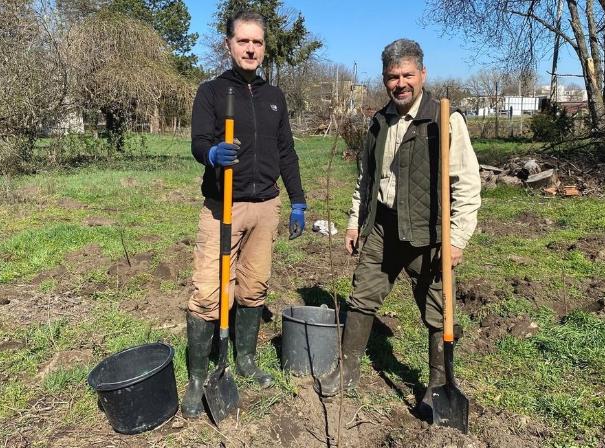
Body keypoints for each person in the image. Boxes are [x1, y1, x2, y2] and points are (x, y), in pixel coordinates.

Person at [316, 39, 481, 419]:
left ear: (422, 74)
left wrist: (456, 239)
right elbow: (366, 179)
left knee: (439, 310)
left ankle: (439, 383)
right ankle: (348, 368)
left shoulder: (444, 118)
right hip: (383, 227)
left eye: (408, 74)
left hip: (429, 234)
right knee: (362, 296)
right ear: (384, 79)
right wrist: (355, 222)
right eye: (393, 76)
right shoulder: (379, 122)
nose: (401, 83)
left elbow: (467, 184)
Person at [181, 10, 307, 418]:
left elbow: (286, 151)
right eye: (243, 41)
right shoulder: (212, 92)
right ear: (229, 45)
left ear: (264, 48)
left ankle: (247, 360)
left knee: (254, 287)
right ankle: (199, 375)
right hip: (224, 206)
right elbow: (198, 142)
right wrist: (213, 154)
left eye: (257, 42)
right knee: (208, 292)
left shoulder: (274, 97)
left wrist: (298, 199)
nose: (251, 48)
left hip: (265, 206)